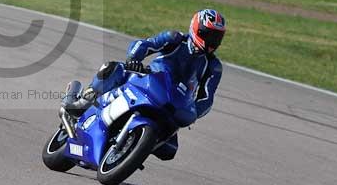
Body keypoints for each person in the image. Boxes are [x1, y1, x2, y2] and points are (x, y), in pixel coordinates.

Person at [64, 9, 226, 160]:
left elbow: (206, 98)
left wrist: (193, 113)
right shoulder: (175, 39)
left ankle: (134, 147)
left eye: (216, 37)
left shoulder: (213, 66)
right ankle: (85, 99)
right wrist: (134, 59)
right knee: (114, 68)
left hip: (174, 103)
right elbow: (145, 44)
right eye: (208, 34)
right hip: (149, 82)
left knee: (169, 150)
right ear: (195, 29)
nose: (212, 41)